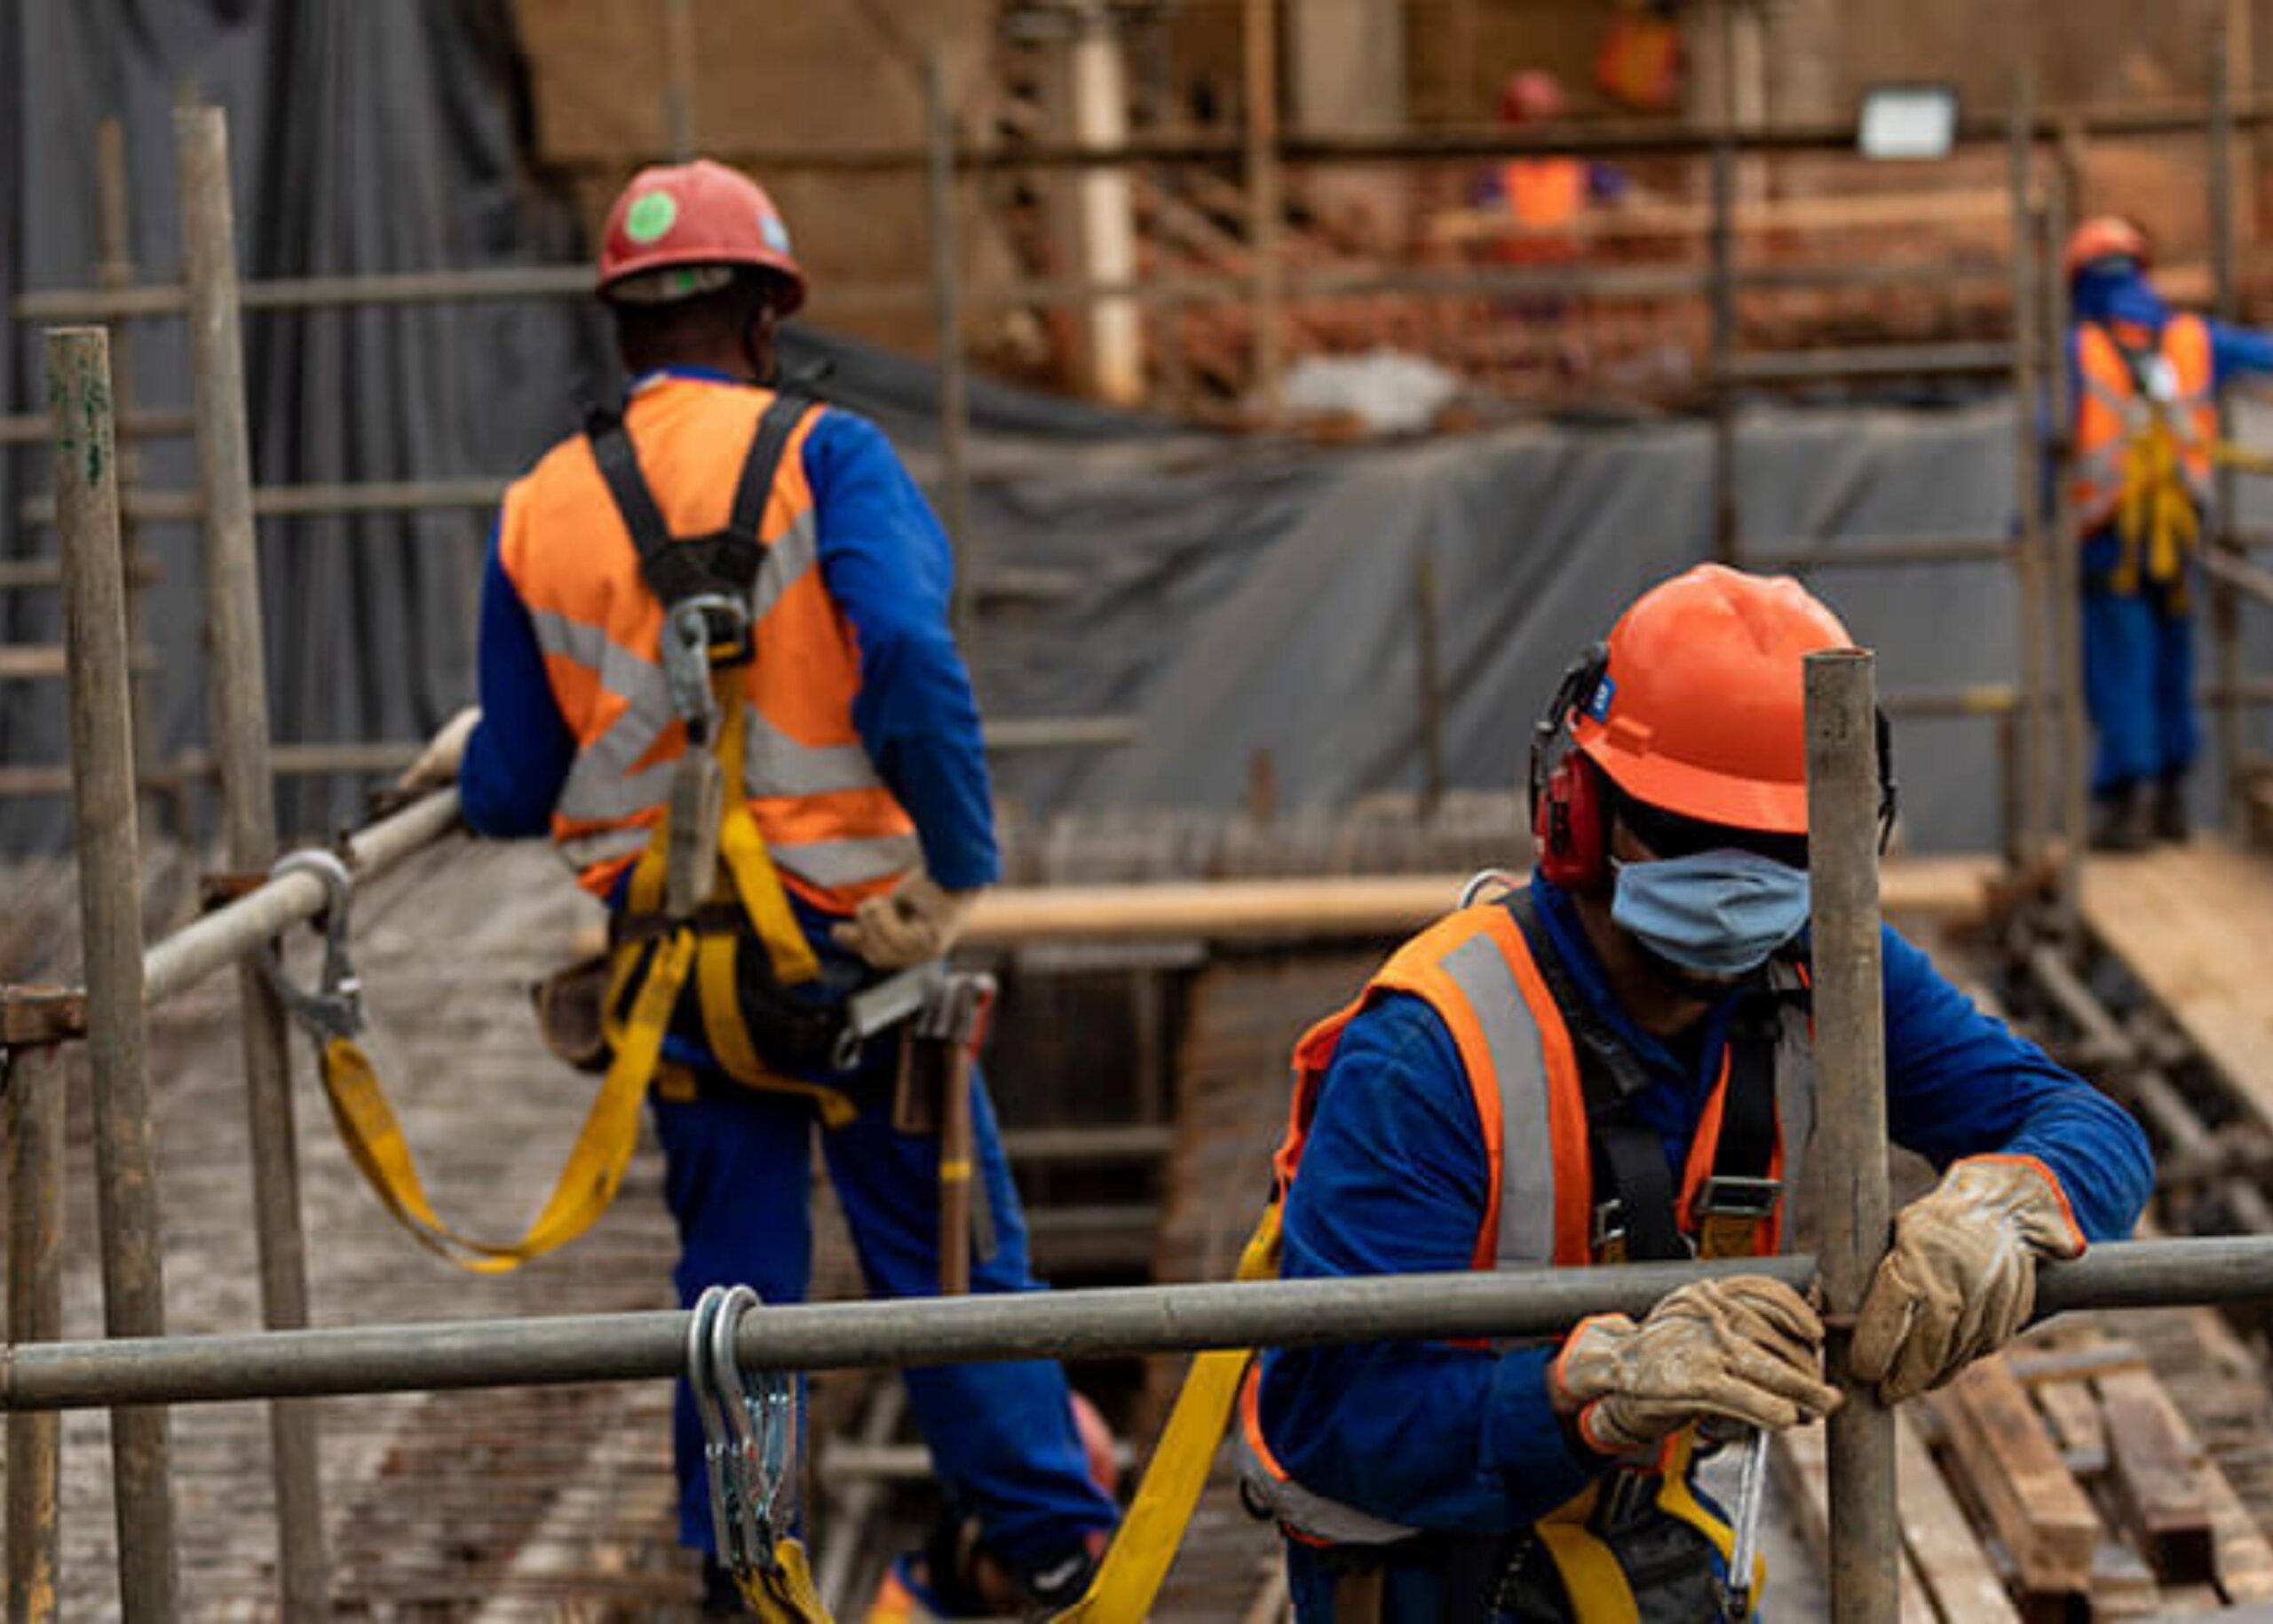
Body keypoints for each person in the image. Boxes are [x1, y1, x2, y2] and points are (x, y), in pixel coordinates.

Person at [398, 158, 1117, 1619]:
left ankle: (741, 1565)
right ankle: (1047, 1550)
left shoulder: (544, 503)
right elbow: (911, 657)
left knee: (734, 1285)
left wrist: (459, 771)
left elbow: (516, 782)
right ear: (768, 316)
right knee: (952, 1266)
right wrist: (961, 861)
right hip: (859, 962)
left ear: (623, 331)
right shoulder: (830, 457)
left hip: (678, 981)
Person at [1237, 565, 2154, 1621]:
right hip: (1428, 1584)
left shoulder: (1822, 964)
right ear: (1576, 811)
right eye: (1687, 835)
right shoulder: (1431, 1049)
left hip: (1644, 1556)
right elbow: (1339, 1418)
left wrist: (2003, 1210)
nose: (1735, 881)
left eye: (1781, 847)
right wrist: (1590, 1394)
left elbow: (2091, 1127)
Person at [2062, 216, 2273, 849]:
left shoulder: (2081, 348)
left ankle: (2131, 806)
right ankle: (2174, 799)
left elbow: (2049, 440)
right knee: (2171, 664)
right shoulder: (2193, 339)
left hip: (2110, 539)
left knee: (2121, 669)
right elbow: (2264, 353)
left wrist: (2027, 521)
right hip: (2179, 540)